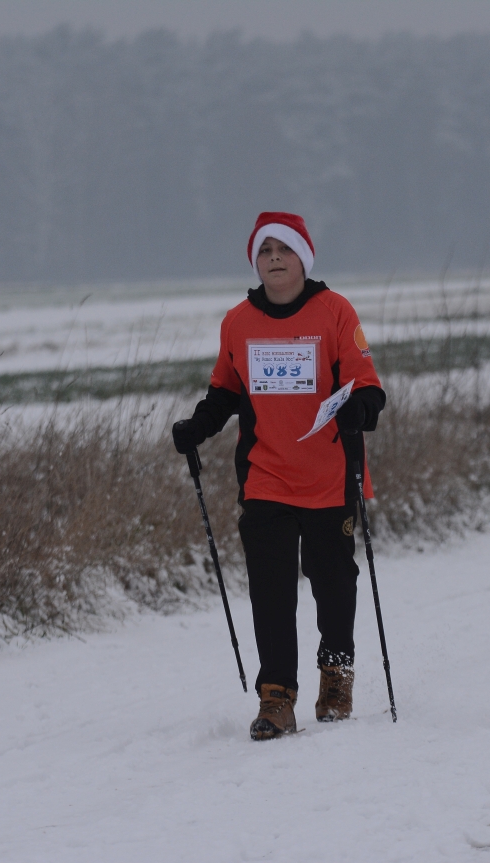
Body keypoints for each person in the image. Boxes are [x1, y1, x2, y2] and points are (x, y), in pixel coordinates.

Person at [172, 211, 386, 741]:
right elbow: (225, 390)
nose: (273, 259)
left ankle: (335, 675)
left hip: (329, 475)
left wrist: (359, 410)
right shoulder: (238, 322)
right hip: (265, 475)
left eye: (283, 250)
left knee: (333, 584)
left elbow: (367, 386)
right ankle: (276, 698)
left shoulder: (335, 312)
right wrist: (197, 426)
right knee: (270, 590)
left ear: (303, 258)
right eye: (264, 251)